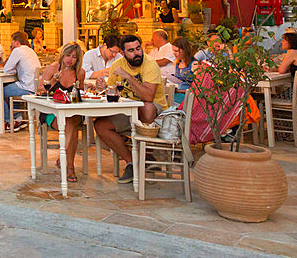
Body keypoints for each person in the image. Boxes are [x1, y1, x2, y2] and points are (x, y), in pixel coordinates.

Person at [94, 34, 168, 184]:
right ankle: (133, 162)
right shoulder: (118, 65)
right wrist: (103, 88)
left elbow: (148, 97)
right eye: (131, 50)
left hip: (154, 112)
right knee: (100, 125)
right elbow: (113, 91)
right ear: (123, 53)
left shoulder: (150, 64)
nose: (137, 53)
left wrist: (127, 76)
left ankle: (147, 154)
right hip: (128, 111)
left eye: (138, 48)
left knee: (146, 108)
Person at [37, 43, 86, 182]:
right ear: (62, 55)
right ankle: (69, 167)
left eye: (74, 57)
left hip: (73, 112)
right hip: (52, 112)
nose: (70, 59)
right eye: (68, 55)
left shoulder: (80, 73)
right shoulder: (53, 68)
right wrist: (54, 80)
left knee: (71, 120)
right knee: (71, 126)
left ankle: (64, 159)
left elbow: (81, 94)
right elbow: (40, 90)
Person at [0, 31, 39, 130]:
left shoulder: (18, 51)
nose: (11, 43)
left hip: (26, 87)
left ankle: (9, 121)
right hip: (35, 87)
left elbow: (6, 69)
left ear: (17, 42)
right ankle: (18, 118)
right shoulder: (30, 50)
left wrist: (12, 52)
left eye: (12, 41)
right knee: (10, 89)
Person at [168, 36, 195, 105]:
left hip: (186, 95)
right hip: (177, 93)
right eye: (173, 50)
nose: (174, 53)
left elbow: (196, 87)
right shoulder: (177, 63)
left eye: (176, 51)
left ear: (184, 50)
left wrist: (180, 91)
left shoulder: (194, 64)